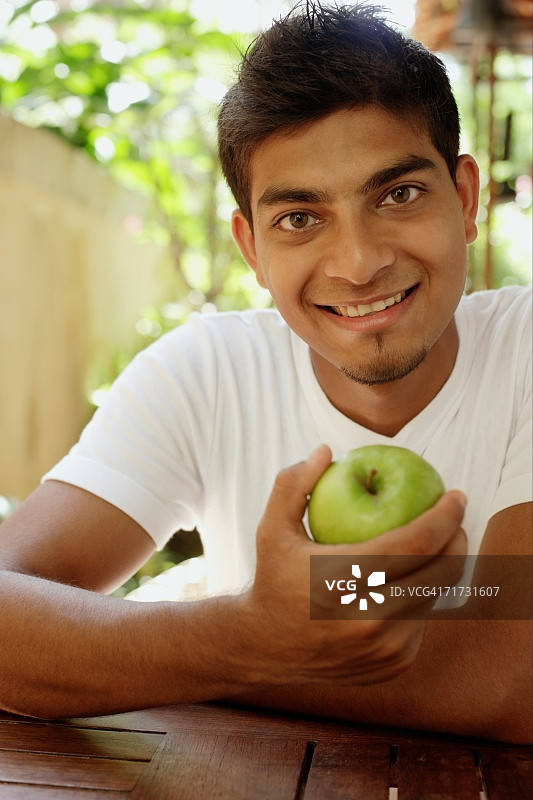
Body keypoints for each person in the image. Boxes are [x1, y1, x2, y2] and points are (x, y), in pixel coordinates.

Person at [0, 2, 530, 743]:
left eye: (398, 194)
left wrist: (230, 642)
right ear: (251, 249)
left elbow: (507, 676)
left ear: (465, 199)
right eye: (299, 218)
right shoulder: (206, 371)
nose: (358, 263)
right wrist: (243, 637)